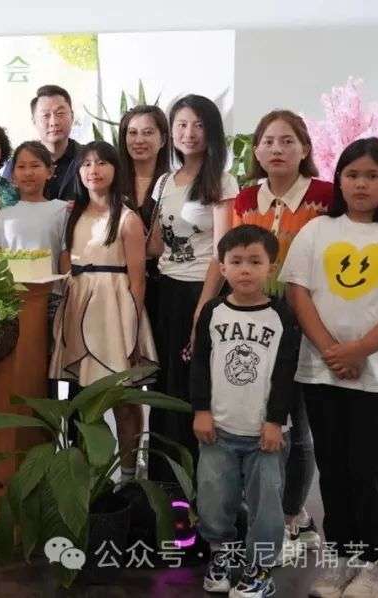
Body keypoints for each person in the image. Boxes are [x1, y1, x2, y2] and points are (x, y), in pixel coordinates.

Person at [279, 138, 378, 597]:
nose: (361, 184)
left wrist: (360, 351)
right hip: (322, 372)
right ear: (339, 180)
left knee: (373, 474)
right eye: (352, 175)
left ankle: (373, 567)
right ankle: (340, 559)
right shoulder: (318, 230)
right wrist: (332, 349)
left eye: (372, 175)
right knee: (334, 472)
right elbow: (297, 292)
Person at [233, 110, 333, 556]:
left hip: (308, 320)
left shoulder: (326, 196)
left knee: (300, 426)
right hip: (256, 324)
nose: (277, 149)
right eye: (268, 141)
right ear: (256, 150)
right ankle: (264, 510)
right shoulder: (245, 198)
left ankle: (294, 515)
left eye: (287, 141)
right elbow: (233, 257)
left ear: (304, 148)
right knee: (264, 419)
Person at [191, 224, 299, 598]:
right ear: (222, 267)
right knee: (213, 497)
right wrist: (201, 411)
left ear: (271, 267)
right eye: (236, 262)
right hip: (218, 429)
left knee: (266, 503)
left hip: (264, 435)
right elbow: (199, 365)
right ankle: (222, 553)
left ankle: (261, 567)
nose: (245, 270)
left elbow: (286, 373)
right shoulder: (212, 312)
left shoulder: (282, 315)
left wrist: (275, 422)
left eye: (255, 261)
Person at [146, 94, 239, 483]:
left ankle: (196, 484)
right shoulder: (165, 181)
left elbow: (223, 251)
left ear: (212, 131)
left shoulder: (221, 181)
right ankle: (162, 481)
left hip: (200, 291)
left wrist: (204, 305)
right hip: (165, 291)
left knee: (191, 386)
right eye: (182, 124)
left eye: (199, 125)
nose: (189, 133)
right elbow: (155, 244)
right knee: (164, 382)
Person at [50, 141, 156, 478]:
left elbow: (137, 282)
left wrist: (132, 327)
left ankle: (129, 474)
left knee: (123, 397)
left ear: (115, 169)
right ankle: (90, 476)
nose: (93, 171)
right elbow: (65, 263)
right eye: (86, 164)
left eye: (101, 163)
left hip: (115, 312)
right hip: (79, 307)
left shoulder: (127, 218)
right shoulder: (71, 215)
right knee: (83, 397)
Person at [117, 105, 171, 330]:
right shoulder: (112, 184)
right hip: (120, 283)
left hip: (164, 285)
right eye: (132, 133)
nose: (139, 140)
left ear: (163, 139)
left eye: (148, 132)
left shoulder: (174, 183)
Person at [0, 141, 69, 273]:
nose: (28, 173)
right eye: (21, 167)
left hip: (50, 285)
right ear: (13, 175)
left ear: (49, 171)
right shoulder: (3, 215)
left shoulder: (62, 210)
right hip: (12, 286)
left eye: (35, 166)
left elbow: (65, 258)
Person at [3, 84, 82, 201]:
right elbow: (5, 202)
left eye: (60, 113)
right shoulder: (18, 162)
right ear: (34, 121)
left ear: (72, 116)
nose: (54, 122)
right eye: (46, 115)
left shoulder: (87, 159)